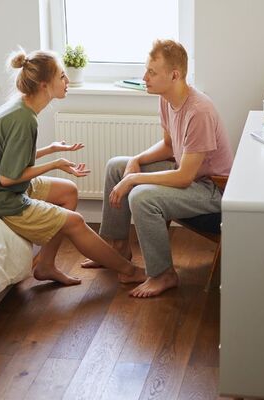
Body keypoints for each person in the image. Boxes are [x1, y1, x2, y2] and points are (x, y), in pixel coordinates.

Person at [0, 49, 147, 286]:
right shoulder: (24, 119)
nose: (67, 82)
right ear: (45, 85)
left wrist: (51, 149)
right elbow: (7, 178)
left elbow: (9, 159)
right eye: (62, 77)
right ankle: (129, 271)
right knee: (74, 221)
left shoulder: (20, 106)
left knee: (68, 191)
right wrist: (54, 163)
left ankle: (46, 265)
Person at [81, 40, 234, 298]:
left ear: (174, 75)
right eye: (146, 70)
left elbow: (185, 177)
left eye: (152, 72)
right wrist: (136, 160)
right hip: (189, 174)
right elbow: (168, 146)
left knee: (141, 196)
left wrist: (135, 180)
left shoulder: (199, 111)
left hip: (214, 188)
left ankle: (163, 274)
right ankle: (118, 248)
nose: (145, 78)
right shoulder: (166, 99)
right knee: (117, 166)